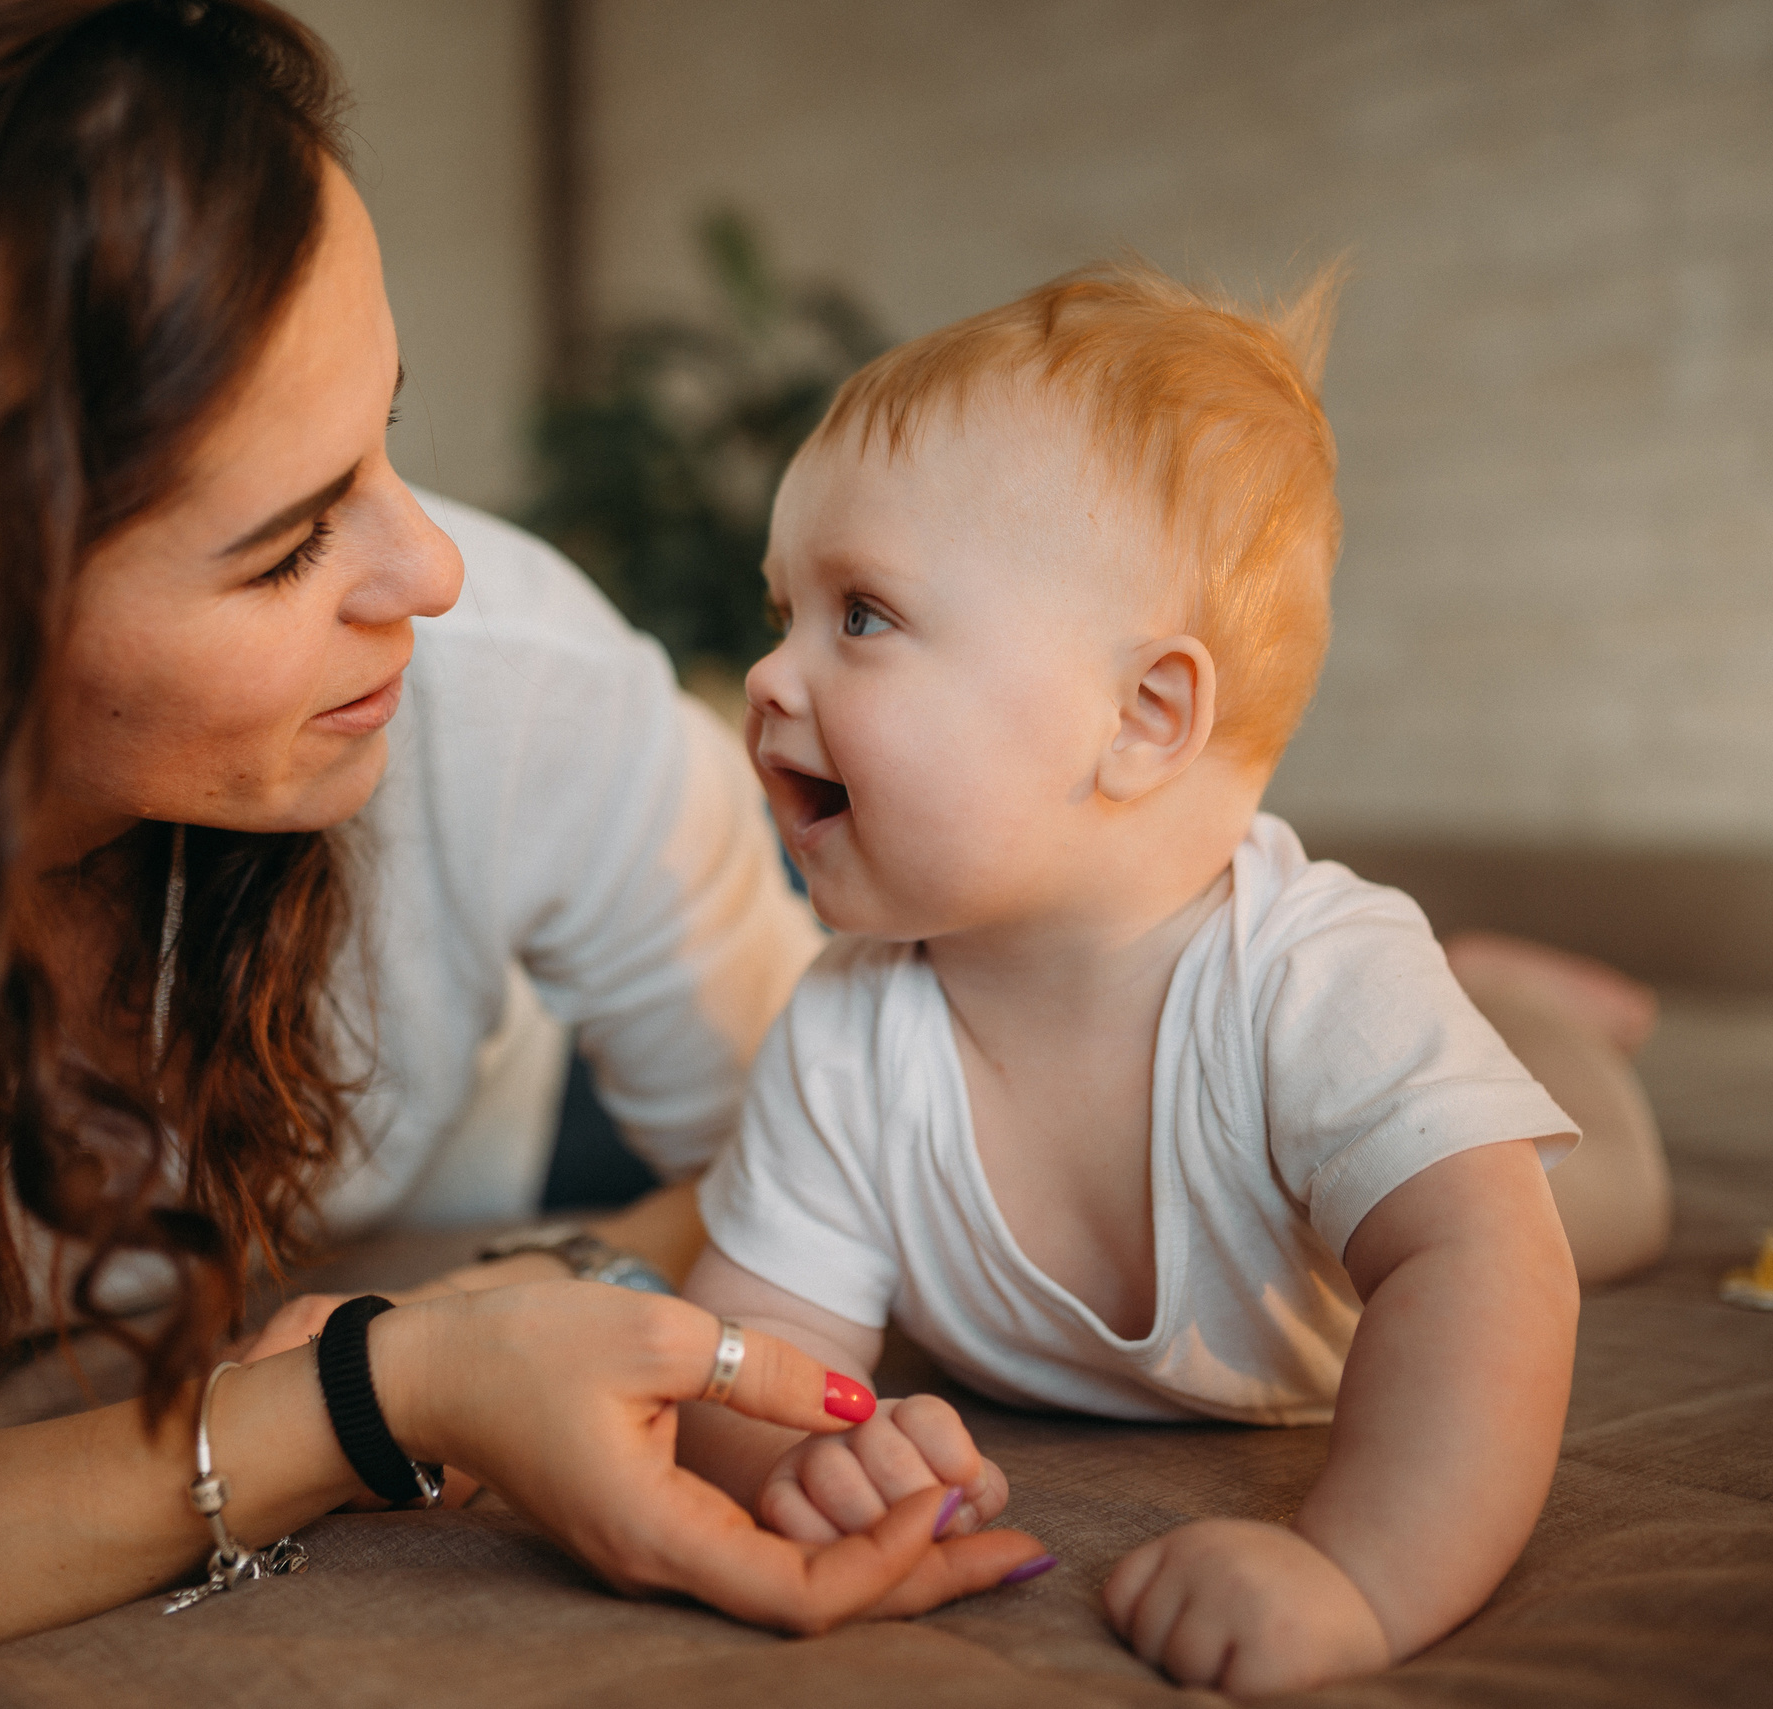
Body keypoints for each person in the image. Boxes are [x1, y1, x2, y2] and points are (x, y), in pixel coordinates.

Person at [0, 3, 1042, 1698]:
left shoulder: (518, 696)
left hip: (510, 1107)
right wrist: (379, 1391)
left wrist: (514, 1300)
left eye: (389, 427)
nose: (429, 568)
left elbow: (811, 1174)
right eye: (291, 543)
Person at [673, 261, 1670, 1694]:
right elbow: (756, 1343)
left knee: (1596, 1203)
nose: (772, 677)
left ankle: (1528, 1013)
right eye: (783, 612)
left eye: (863, 615)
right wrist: (812, 1457)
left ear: (1144, 717)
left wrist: (1357, 1574)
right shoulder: (845, 1021)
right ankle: (1488, 994)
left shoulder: (1314, 978)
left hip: (1419, 1113)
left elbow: (1485, 1270)